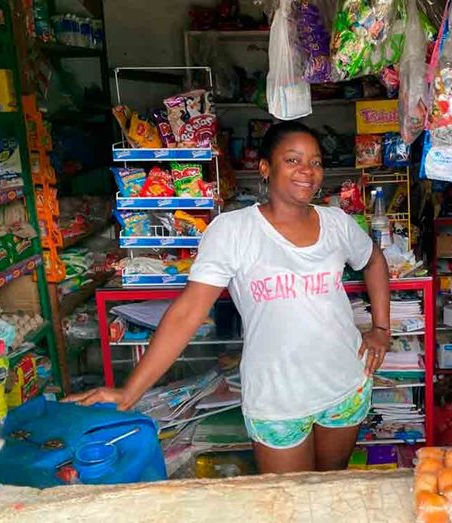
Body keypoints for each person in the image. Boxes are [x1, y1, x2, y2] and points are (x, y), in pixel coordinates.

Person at [66, 121, 391, 474]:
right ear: (265, 168)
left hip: (344, 384)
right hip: (276, 397)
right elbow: (187, 313)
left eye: (315, 162)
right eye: (293, 160)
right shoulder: (233, 230)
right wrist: (129, 393)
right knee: (288, 504)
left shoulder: (337, 223)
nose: (307, 172)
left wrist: (382, 329)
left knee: (330, 488)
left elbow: (373, 260)